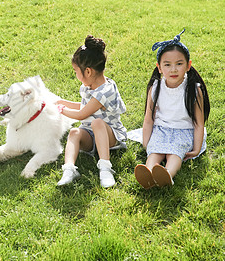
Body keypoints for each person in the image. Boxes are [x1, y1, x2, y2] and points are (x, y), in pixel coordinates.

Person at [134, 29, 210, 189]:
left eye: (179, 64)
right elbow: (149, 119)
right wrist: (147, 143)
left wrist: (196, 149)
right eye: (167, 65)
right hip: (161, 129)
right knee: (155, 152)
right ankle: (148, 172)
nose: (173, 69)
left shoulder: (193, 90)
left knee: (174, 153)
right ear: (159, 67)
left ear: (188, 65)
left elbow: (198, 123)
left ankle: (167, 174)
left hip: (184, 131)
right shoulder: (155, 88)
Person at [56, 35, 127, 188]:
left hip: (110, 135)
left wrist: (61, 110)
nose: (75, 74)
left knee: (98, 123)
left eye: (76, 71)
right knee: (74, 132)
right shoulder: (90, 86)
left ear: (87, 71)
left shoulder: (105, 91)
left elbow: (82, 114)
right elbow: (85, 107)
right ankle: (69, 169)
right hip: (90, 135)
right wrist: (64, 102)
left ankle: (105, 168)